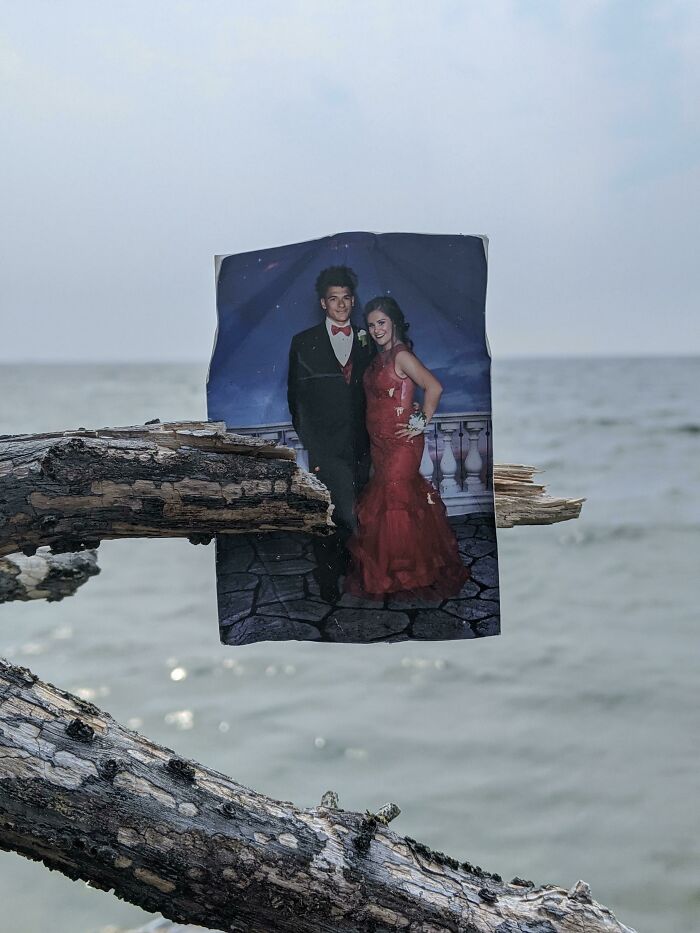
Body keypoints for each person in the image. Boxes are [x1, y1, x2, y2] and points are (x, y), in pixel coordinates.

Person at [345, 296, 470, 599]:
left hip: (402, 443)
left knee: (395, 500)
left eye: (381, 323)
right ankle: (398, 571)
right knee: (390, 501)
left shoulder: (401, 355)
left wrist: (419, 422)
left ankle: (406, 574)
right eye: (372, 324)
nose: (376, 329)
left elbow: (434, 387)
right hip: (379, 443)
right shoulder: (378, 359)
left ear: (394, 323)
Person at [287, 266, 372, 602]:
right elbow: (295, 400)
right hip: (325, 448)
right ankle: (327, 578)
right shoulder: (303, 342)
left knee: (356, 513)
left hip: (363, 445)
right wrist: (314, 446)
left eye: (346, 299)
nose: (341, 305)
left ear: (353, 301)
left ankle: (351, 573)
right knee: (334, 512)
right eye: (334, 299)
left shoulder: (367, 339)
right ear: (323, 303)